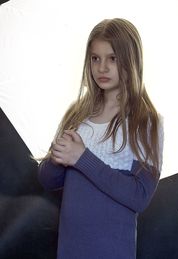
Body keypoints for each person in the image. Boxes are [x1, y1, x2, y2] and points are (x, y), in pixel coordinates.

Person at [38, 17, 164, 259]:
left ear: (131, 60)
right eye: (95, 58)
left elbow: (139, 197)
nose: (102, 68)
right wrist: (56, 159)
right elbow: (48, 180)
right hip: (69, 250)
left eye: (113, 59)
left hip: (111, 251)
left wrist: (82, 157)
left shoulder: (144, 121)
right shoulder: (78, 114)